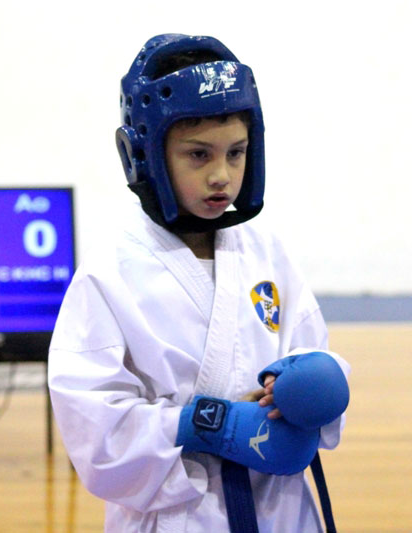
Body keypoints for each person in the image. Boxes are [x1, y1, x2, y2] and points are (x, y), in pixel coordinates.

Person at [48, 33, 350, 533]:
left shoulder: (264, 249)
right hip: (177, 515)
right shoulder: (109, 273)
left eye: (236, 153)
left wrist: (318, 378)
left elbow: (306, 349)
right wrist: (207, 424)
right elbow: (96, 430)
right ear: (145, 153)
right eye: (198, 155)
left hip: (279, 509)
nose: (222, 176)